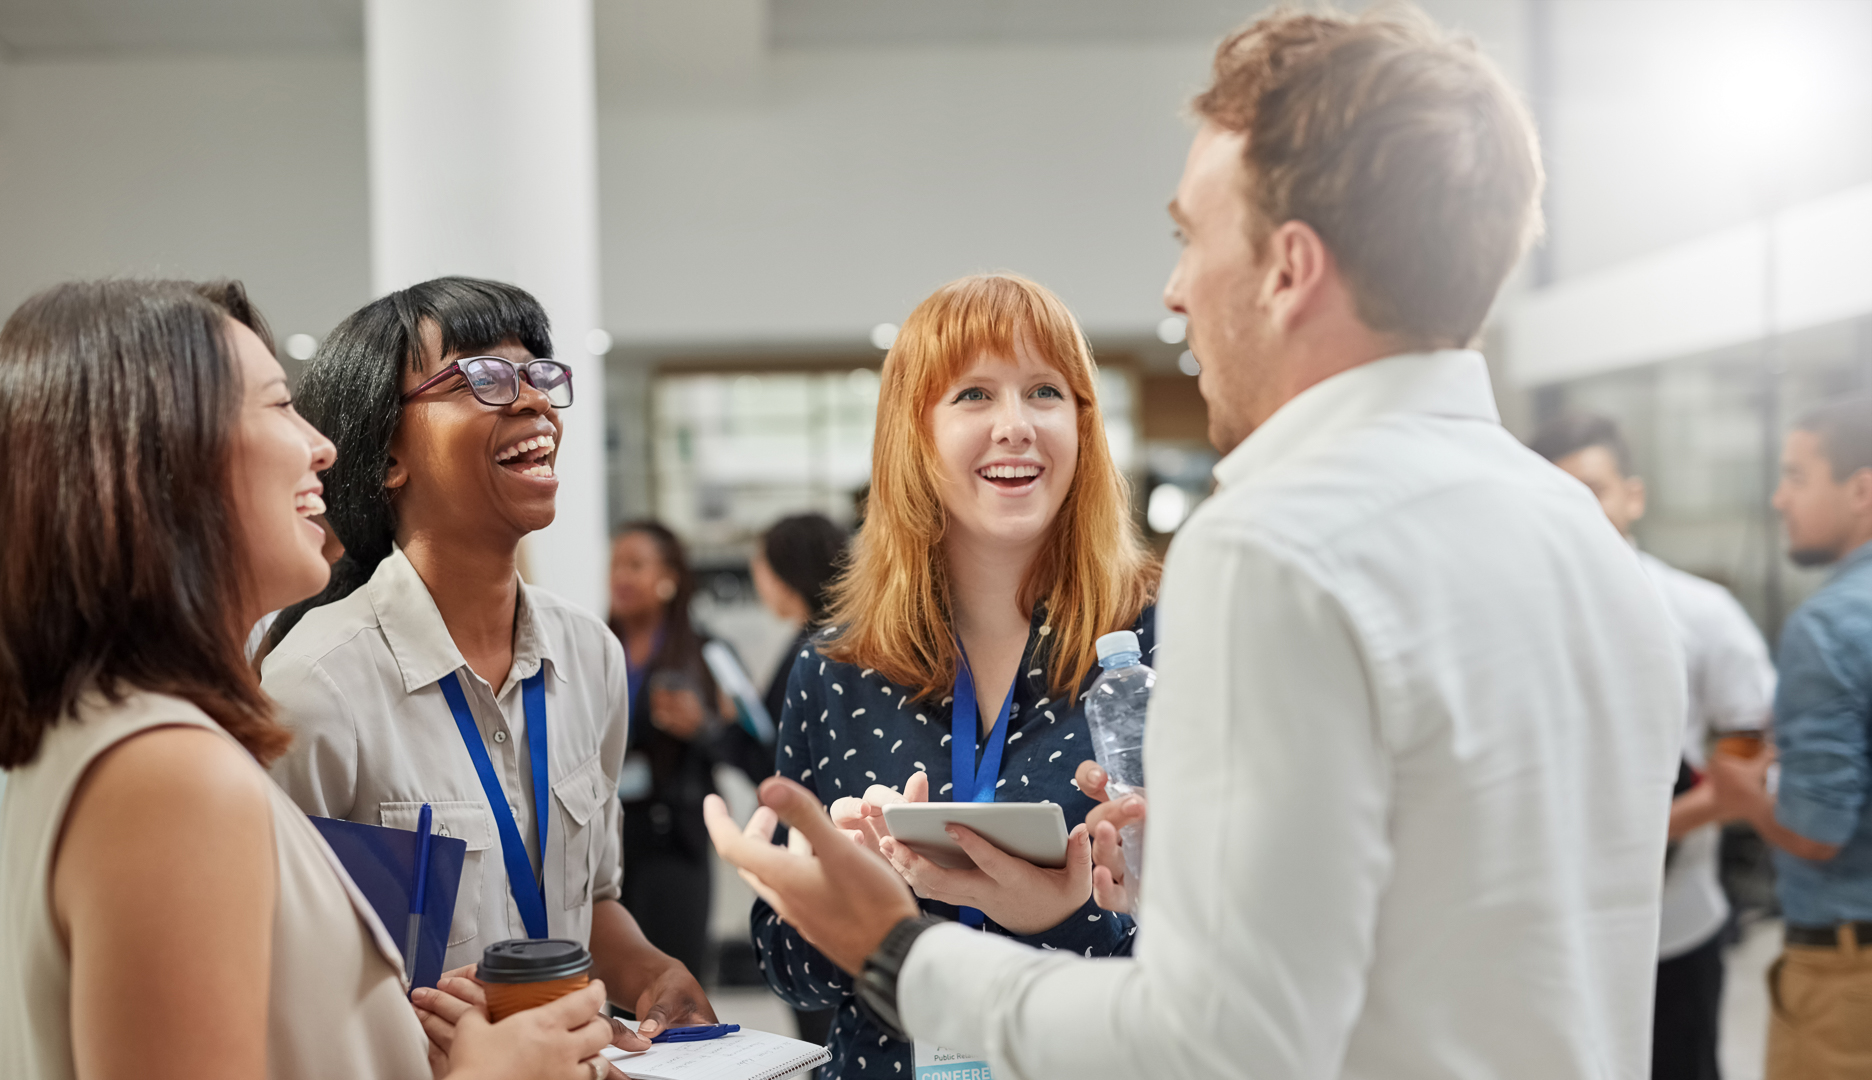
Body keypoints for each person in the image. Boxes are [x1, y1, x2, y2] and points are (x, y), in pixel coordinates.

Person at [705, 8, 1684, 1079]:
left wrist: (899, 953)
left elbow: (1220, 1043)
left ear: (1289, 269)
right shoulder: (1585, 544)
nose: (1174, 291)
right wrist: (1082, 898)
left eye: (1190, 236)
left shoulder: (1276, 549)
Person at [0, 279, 614, 1080]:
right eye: (276, 408)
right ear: (161, 465)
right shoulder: (169, 774)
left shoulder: (113, 733)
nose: (324, 447)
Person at [257, 277, 713, 1041]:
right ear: (387, 454)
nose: (532, 397)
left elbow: (590, 904)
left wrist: (649, 971)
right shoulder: (316, 686)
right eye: (483, 376)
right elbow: (283, 976)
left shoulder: (588, 656)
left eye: (538, 371)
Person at [745, 272, 1159, 1079]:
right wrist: (866, 915)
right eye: (973, 395)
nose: (1016, 427)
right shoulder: (837, 670)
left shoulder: (1159, 651)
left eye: (1045, 391)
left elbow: (1228, 956)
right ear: (916, 432)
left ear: (1083, 423)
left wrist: (1069, 915)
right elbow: (784, 967)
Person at [1532, 412, 1775, 1080]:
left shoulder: (1701, 614)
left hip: (1676, 930)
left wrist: (1664, 826)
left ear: (1633, 495)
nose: (1575, 515)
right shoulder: (1511, 618)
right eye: (1555, 497)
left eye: (1593, 491)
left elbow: (1755, 752)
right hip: (1548, 939)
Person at [1709, 396, 1872, 1080]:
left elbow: (1816, 832)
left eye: (1797, 476)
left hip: (1848, 972)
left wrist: (1740, 790)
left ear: (1861, 488)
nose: (1779, 498)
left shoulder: (1827, 626)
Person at [607, 519, 770, 981]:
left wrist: (705, 726)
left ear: (669, 579)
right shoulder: (591, 647)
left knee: (673, 980)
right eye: (616, 564)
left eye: (636, 565)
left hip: (675, 840)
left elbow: (757, 749)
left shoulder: (709, 653)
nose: (621, 577)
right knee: (619, 987)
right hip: (606, 842)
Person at [748, 511, 850, 1052]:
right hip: (830, 863)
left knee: (827, 1033)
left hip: (824, 862)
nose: (757, 580)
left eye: (760, 566)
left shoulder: (820, 654)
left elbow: (777, 764)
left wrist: (720, 733)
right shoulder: (827, 646)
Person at [751, 513, 848, 730]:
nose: (758, 584)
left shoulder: (810, 653)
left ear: (785, 577)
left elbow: (773, 750)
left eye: (761, 569)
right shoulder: (842, 638)